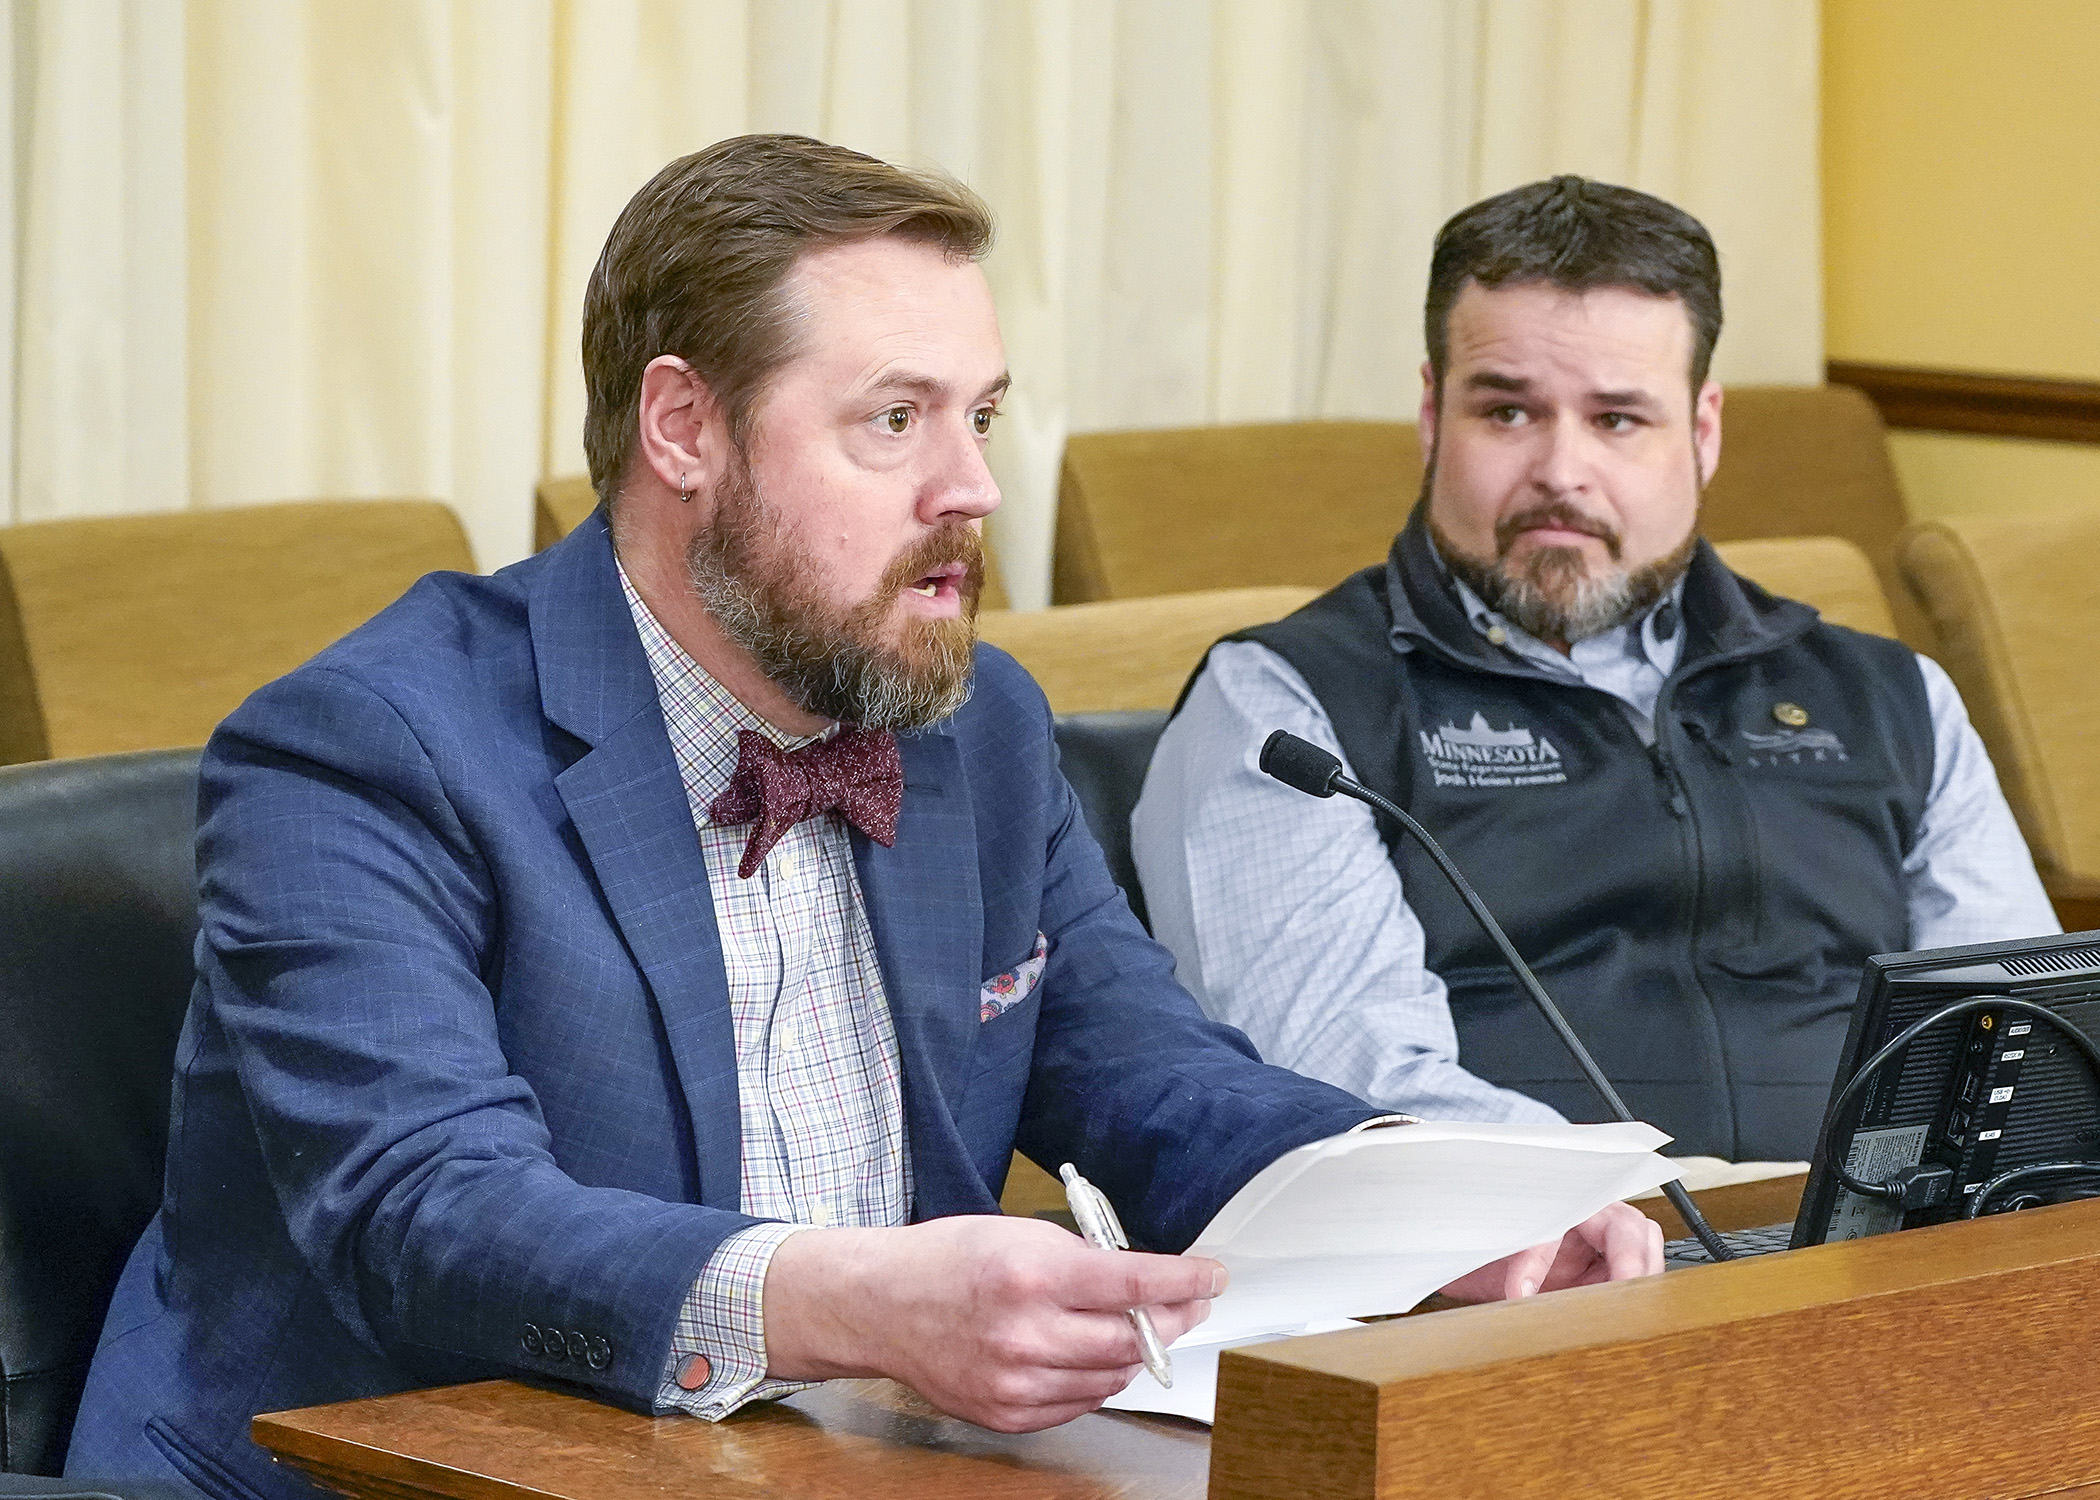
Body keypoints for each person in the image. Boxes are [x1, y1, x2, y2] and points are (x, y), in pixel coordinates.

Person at [66, 139, 1659, 1499]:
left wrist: (1450, 1209)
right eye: (895, 421)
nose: (970, 485)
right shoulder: (371, 742)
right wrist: (846, 1303)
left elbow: (1153, 1080)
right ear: (683, 429)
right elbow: (429, 1215)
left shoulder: (983, 723)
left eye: (983, 415)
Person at [1132, 176, 2059, 1165]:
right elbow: (1343, 1085)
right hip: (1522, 1281)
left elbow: (2024, 1040)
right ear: (1432, 416)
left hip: (1880, 1256)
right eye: (1508, 413)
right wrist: (1643, 1210)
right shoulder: (1288, 710)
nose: (1562, 472)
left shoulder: (1889, 698)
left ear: (1702, 433)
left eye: (1618, 420)